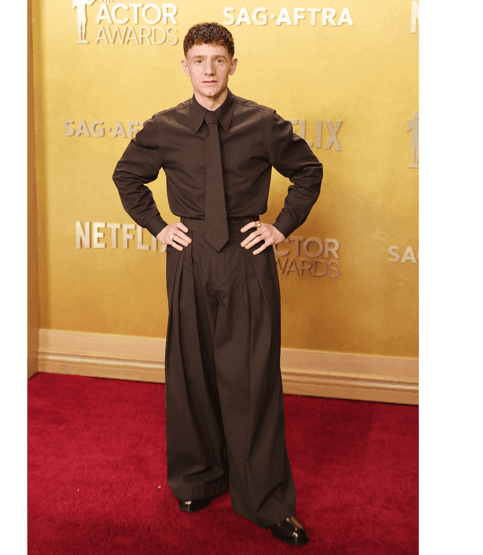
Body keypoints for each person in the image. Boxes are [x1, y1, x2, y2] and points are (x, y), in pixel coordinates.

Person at [112, 22, 321, 547]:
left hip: (247, 258)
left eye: (218, 59)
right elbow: (127, 176)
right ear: (185, 66)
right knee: (191, 372)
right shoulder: (163, 126)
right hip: (190, 256)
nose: (209, 70)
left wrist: (280, 226)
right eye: (199, 60)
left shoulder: (263, 122)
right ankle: (199, 477)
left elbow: (308, 171)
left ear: (233, 64)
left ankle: (266, 500)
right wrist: (160, 227)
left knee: (251, 378)